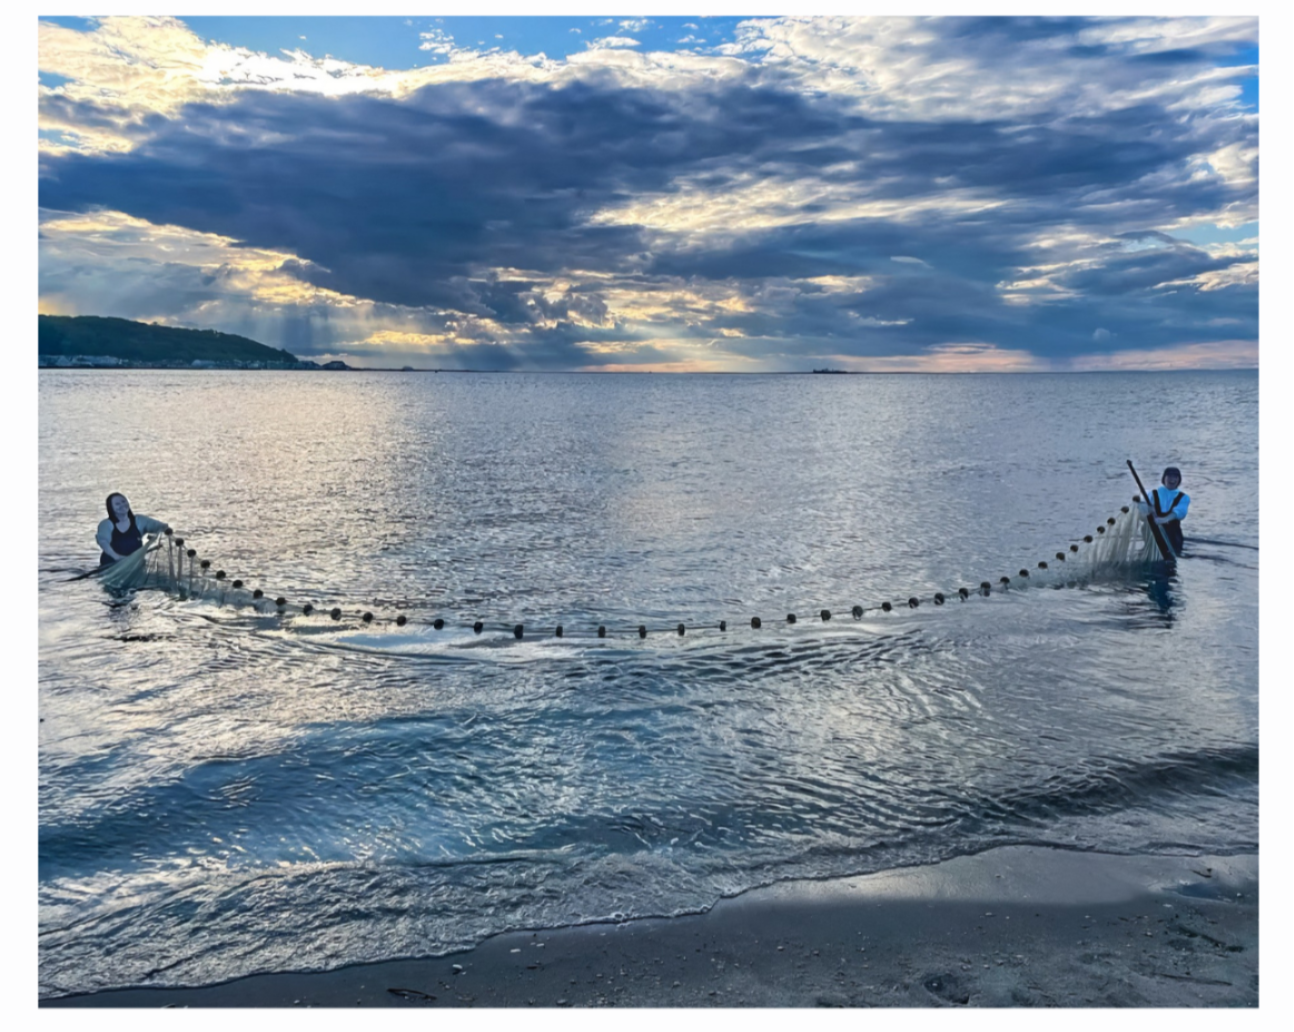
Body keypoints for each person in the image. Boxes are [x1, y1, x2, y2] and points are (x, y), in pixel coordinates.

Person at [96, 492, 170, 566]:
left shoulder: (139, 520)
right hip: (111, 564)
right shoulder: (106, 524)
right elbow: (103, 542)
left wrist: (165, 529)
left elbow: (159, 526)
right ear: (111, 508)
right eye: (117, 504)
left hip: (135, 563)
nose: (122, 505)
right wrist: (117, 557)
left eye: (124, 501)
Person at [1142, 466, 1190, 556]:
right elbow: (1141, 512)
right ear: (1164, 478)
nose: (1172, 479)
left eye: (1175, 477)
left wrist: (1164, 519)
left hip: (1173, 536)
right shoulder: (1152, 494)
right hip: (1153, 535)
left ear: (1179, 480)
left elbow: (1180, 513)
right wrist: (1149, 508)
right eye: (1169, 476)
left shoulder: (1183, 497)